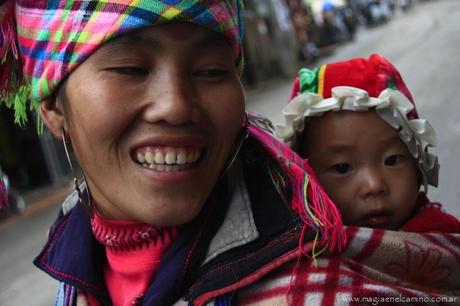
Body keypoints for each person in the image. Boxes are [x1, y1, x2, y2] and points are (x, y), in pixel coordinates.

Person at [0, 1, 459, 304]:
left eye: (211, 70)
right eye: (130, 68)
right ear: (53, 108)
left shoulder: (314, 274)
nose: (177, 105)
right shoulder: (77, 253)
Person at [276, 54, 460, 233]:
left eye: (392, 160)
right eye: (342, 168)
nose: (374, 185)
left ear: (418, 165)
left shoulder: (444, 238)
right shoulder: (305, 254)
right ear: (306, 181)